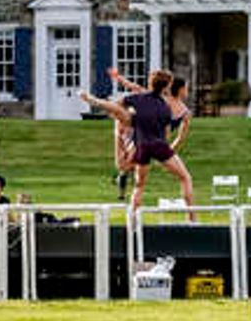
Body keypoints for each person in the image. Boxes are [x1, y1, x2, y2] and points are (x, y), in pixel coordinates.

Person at [82, 70, 196, 214]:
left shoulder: (140, 98)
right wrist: (166, 156)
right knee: (185, 178)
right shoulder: (166, 107)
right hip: (159, 145)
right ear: (167, 87)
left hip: (142, 145)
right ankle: (192, 218)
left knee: (139, 185)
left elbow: (119, 103)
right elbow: (167, 135)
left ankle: (132, 220)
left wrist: (114, 109)